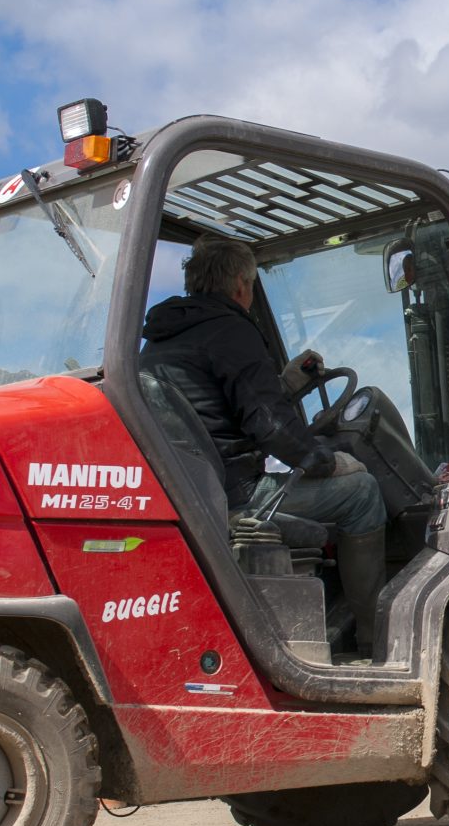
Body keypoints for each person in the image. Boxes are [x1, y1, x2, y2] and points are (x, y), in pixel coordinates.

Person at [141, 238, 389, 661]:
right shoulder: (231, 329)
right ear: (241, 284)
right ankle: (376, 640)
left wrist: (285, 387)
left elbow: (223, 408)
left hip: (196, 488)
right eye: (253, 285)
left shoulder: (163, 340)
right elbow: (269, 425)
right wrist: (326, 461)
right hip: (238, 493)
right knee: (363, 493)